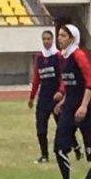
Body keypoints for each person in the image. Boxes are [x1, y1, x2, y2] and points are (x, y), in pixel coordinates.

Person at [51, 24, 91, 179]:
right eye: (58, 35)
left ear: (72, 39)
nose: (59, 38)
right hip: (69, 107)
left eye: (63, 36)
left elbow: (89, 82)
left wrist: (83, 106)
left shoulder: (78, 55)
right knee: (59, 145)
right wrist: (64, 101)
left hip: (85, 108)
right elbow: (70, 83)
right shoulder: (62, 57)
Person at [26, 28, 81, 165]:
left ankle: (75, 146)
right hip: (43, 98)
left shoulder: (58, 57)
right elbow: (36, 79)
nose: (46, 42)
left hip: (56, 99)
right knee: (41, 126)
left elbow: (64, 76)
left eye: (49, 39)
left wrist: (61, 92)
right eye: (44, 39)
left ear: (53, 40)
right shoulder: (39, 58)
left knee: (63, 126)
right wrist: (32, 97)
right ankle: (44, 155)